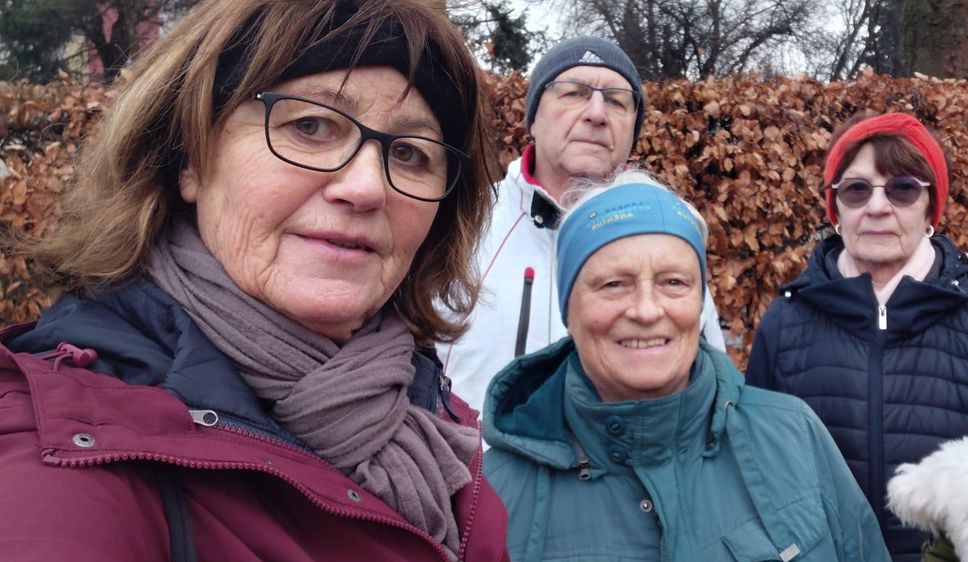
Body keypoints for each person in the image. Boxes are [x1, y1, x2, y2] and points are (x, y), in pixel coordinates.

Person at [0, 1, 510, 560]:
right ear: (190, 157)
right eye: (310, 125)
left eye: (411, 154)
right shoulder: (63, 453)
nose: (367, 188)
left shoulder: (441, 424)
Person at [482, 172, 891, 561]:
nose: (646, 310)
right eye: (613, 284)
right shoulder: (494, 492)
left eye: (673, 282)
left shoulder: (794, 435)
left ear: (699, 304)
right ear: (568, 310)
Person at [744, 112, 968, 562]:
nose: (878, 207)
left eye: (903, 188)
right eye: (856, 190)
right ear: (836, 209)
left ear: (930, 208)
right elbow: (757, 474)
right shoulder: (784, 325)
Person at [434, 36, 724, 416]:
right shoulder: (460, 224)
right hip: (466, 473)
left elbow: (714, 394)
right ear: (533, 118)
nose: (596, 113)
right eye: (574, 93)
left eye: (617, 100)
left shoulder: (669, 243)